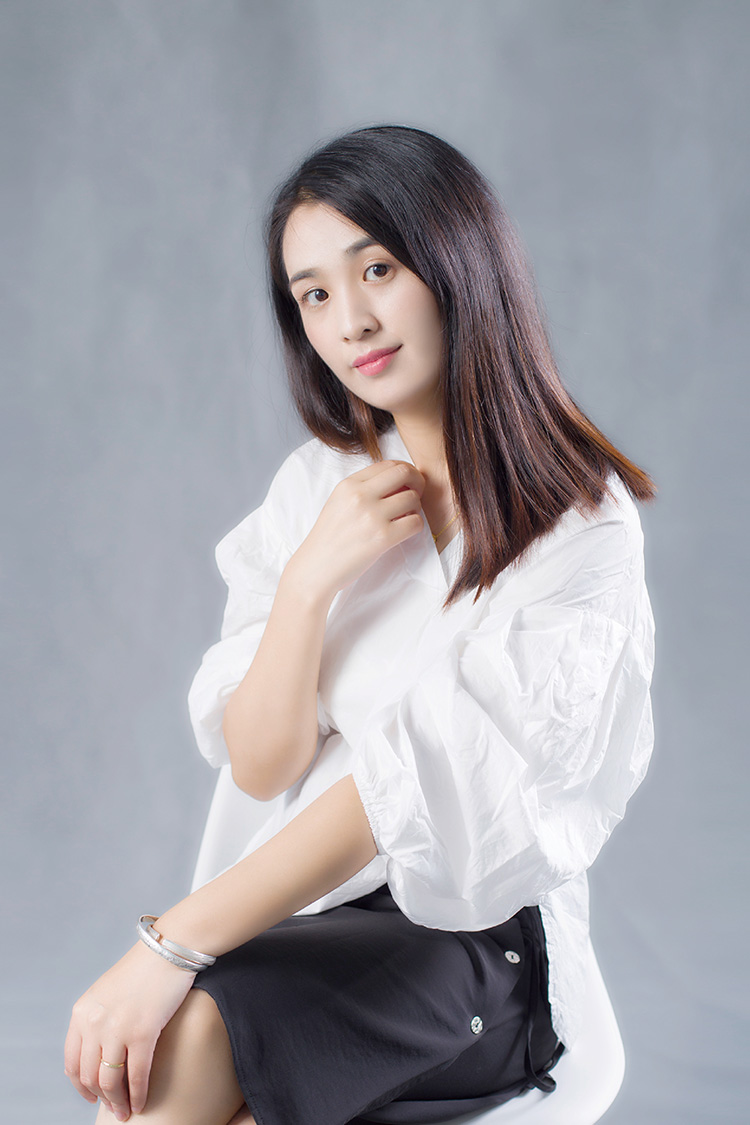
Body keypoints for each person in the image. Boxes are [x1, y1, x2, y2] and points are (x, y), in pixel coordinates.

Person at [65, 124, 656, 1125]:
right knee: (176, 1061)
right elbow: (262, 765)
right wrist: (307, 586)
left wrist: (168, 944)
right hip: (318, 914)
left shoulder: (579, 528)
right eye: (314, 294)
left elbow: (410, 788)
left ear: (457, 261)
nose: (351, 321)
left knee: (194, 1034)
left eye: (377, 268)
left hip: (483, 942)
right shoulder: (318, 487)